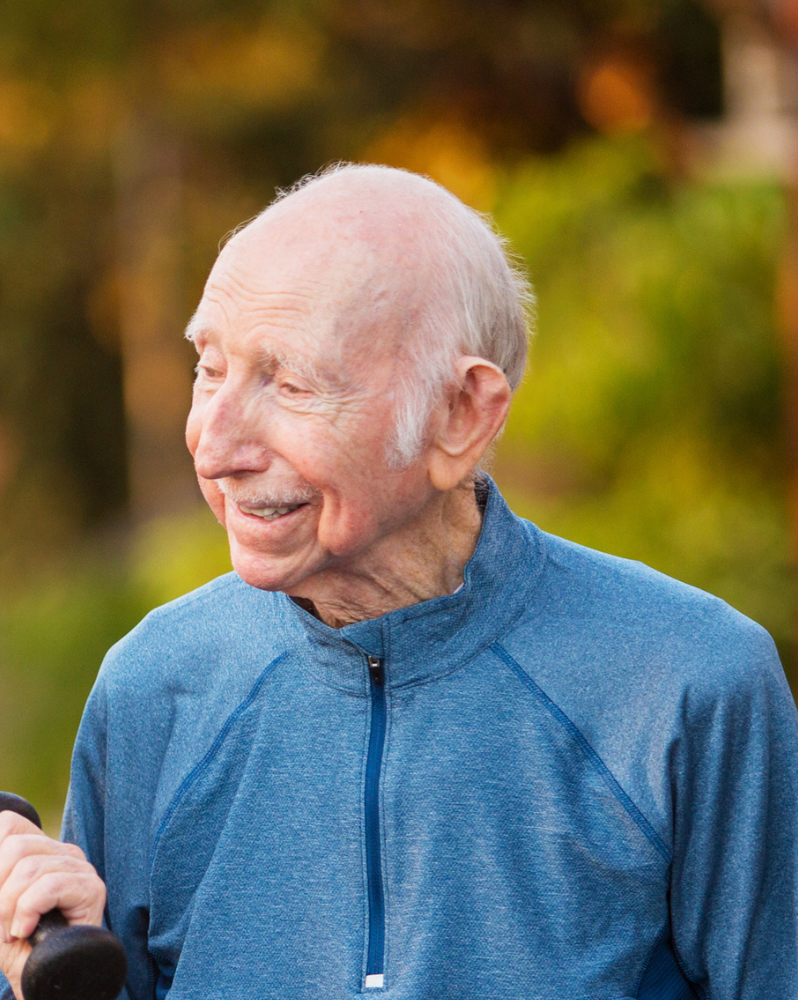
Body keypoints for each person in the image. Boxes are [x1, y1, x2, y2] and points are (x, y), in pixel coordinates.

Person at [0, 164, 795, 1000]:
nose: (212, 443)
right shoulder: (152, 688)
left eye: (290, 381)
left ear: (461, 415)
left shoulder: (693, 686)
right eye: (209, 368)